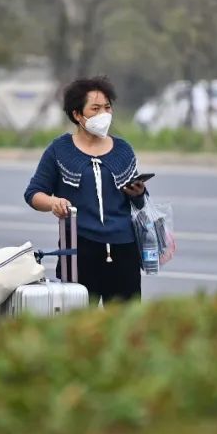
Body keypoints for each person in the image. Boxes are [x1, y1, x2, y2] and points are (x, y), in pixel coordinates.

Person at [23, 76, 148, 305]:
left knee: (127, 326)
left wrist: (138, 193)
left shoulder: (123, 150)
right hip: (79, 251)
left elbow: (140, 204)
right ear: (77, 114)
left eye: (108, 108)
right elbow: (33, 193)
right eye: (96, 108)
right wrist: (53, 203)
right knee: (78, 324)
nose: (104, 114)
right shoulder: (59, 150)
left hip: (124, 250)